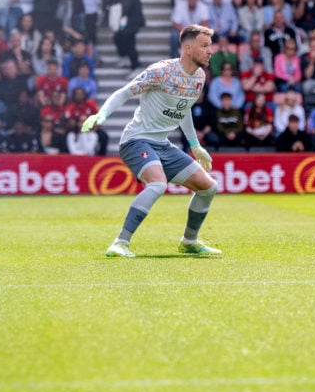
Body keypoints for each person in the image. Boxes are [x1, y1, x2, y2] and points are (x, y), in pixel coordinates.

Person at [81, 24, 222, 259]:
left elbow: (184, 108)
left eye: (210, 45)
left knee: (209, 187)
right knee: (157, 184)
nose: (211, 51)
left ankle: (189, 242)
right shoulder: (162, 72)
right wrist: (102, 115)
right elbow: (125, 92)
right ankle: (120, 242)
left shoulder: (198, 77)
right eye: (204, 46)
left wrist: (195, 145)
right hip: (136, 141)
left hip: (163, 144)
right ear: (188, 48)